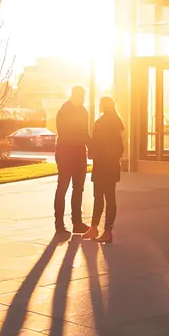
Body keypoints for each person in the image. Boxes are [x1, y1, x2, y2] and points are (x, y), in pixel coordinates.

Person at [83, 96, 124, 244]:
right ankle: (105, 230)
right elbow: (121, 145)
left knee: (99, 197)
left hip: (102, 165)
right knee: (109, 198)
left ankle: (98, 229)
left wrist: (91, 151)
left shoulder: (100, 123)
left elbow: (95, 143)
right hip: (111, 165)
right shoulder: (118, 122)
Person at [54, 85, 91, 238]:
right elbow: (64, 135)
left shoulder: (83, 111)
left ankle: (77, 222)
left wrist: (93, 147)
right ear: (74, 96)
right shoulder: (64, 111)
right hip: (65, 153)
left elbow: (85, 132)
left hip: (79, 154)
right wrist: (83, 140)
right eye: (81, 97)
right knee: (62, 187)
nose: (83, 100)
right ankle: (59, 225)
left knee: (78, 188)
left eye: (84, 98)